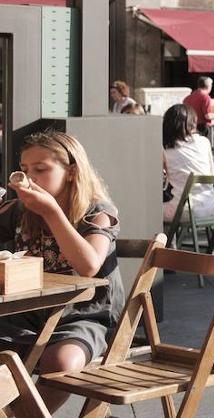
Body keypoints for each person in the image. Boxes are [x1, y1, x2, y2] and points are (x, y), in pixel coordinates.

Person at [0, 131, 122, 413]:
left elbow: (88, 265)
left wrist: (51, 212)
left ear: (71, 171)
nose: (31, 179)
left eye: (41, 170)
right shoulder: (21, 211)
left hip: (84, 315)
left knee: (61, 363)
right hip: (28, 312)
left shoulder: (96, 213)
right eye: (25, 170)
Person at [161, 104, 214, 222]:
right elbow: (211, 172)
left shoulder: (166, 148)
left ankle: (169, 240)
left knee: (150, 211)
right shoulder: (204, 142)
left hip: (184, 210)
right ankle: (175, 239)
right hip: (210, 206)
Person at [182, 76, 214, 141]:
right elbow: (208, 116)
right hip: (202, 128)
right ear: (208, 86)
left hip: (189, 127)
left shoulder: (187, 98)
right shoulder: (205, 97)